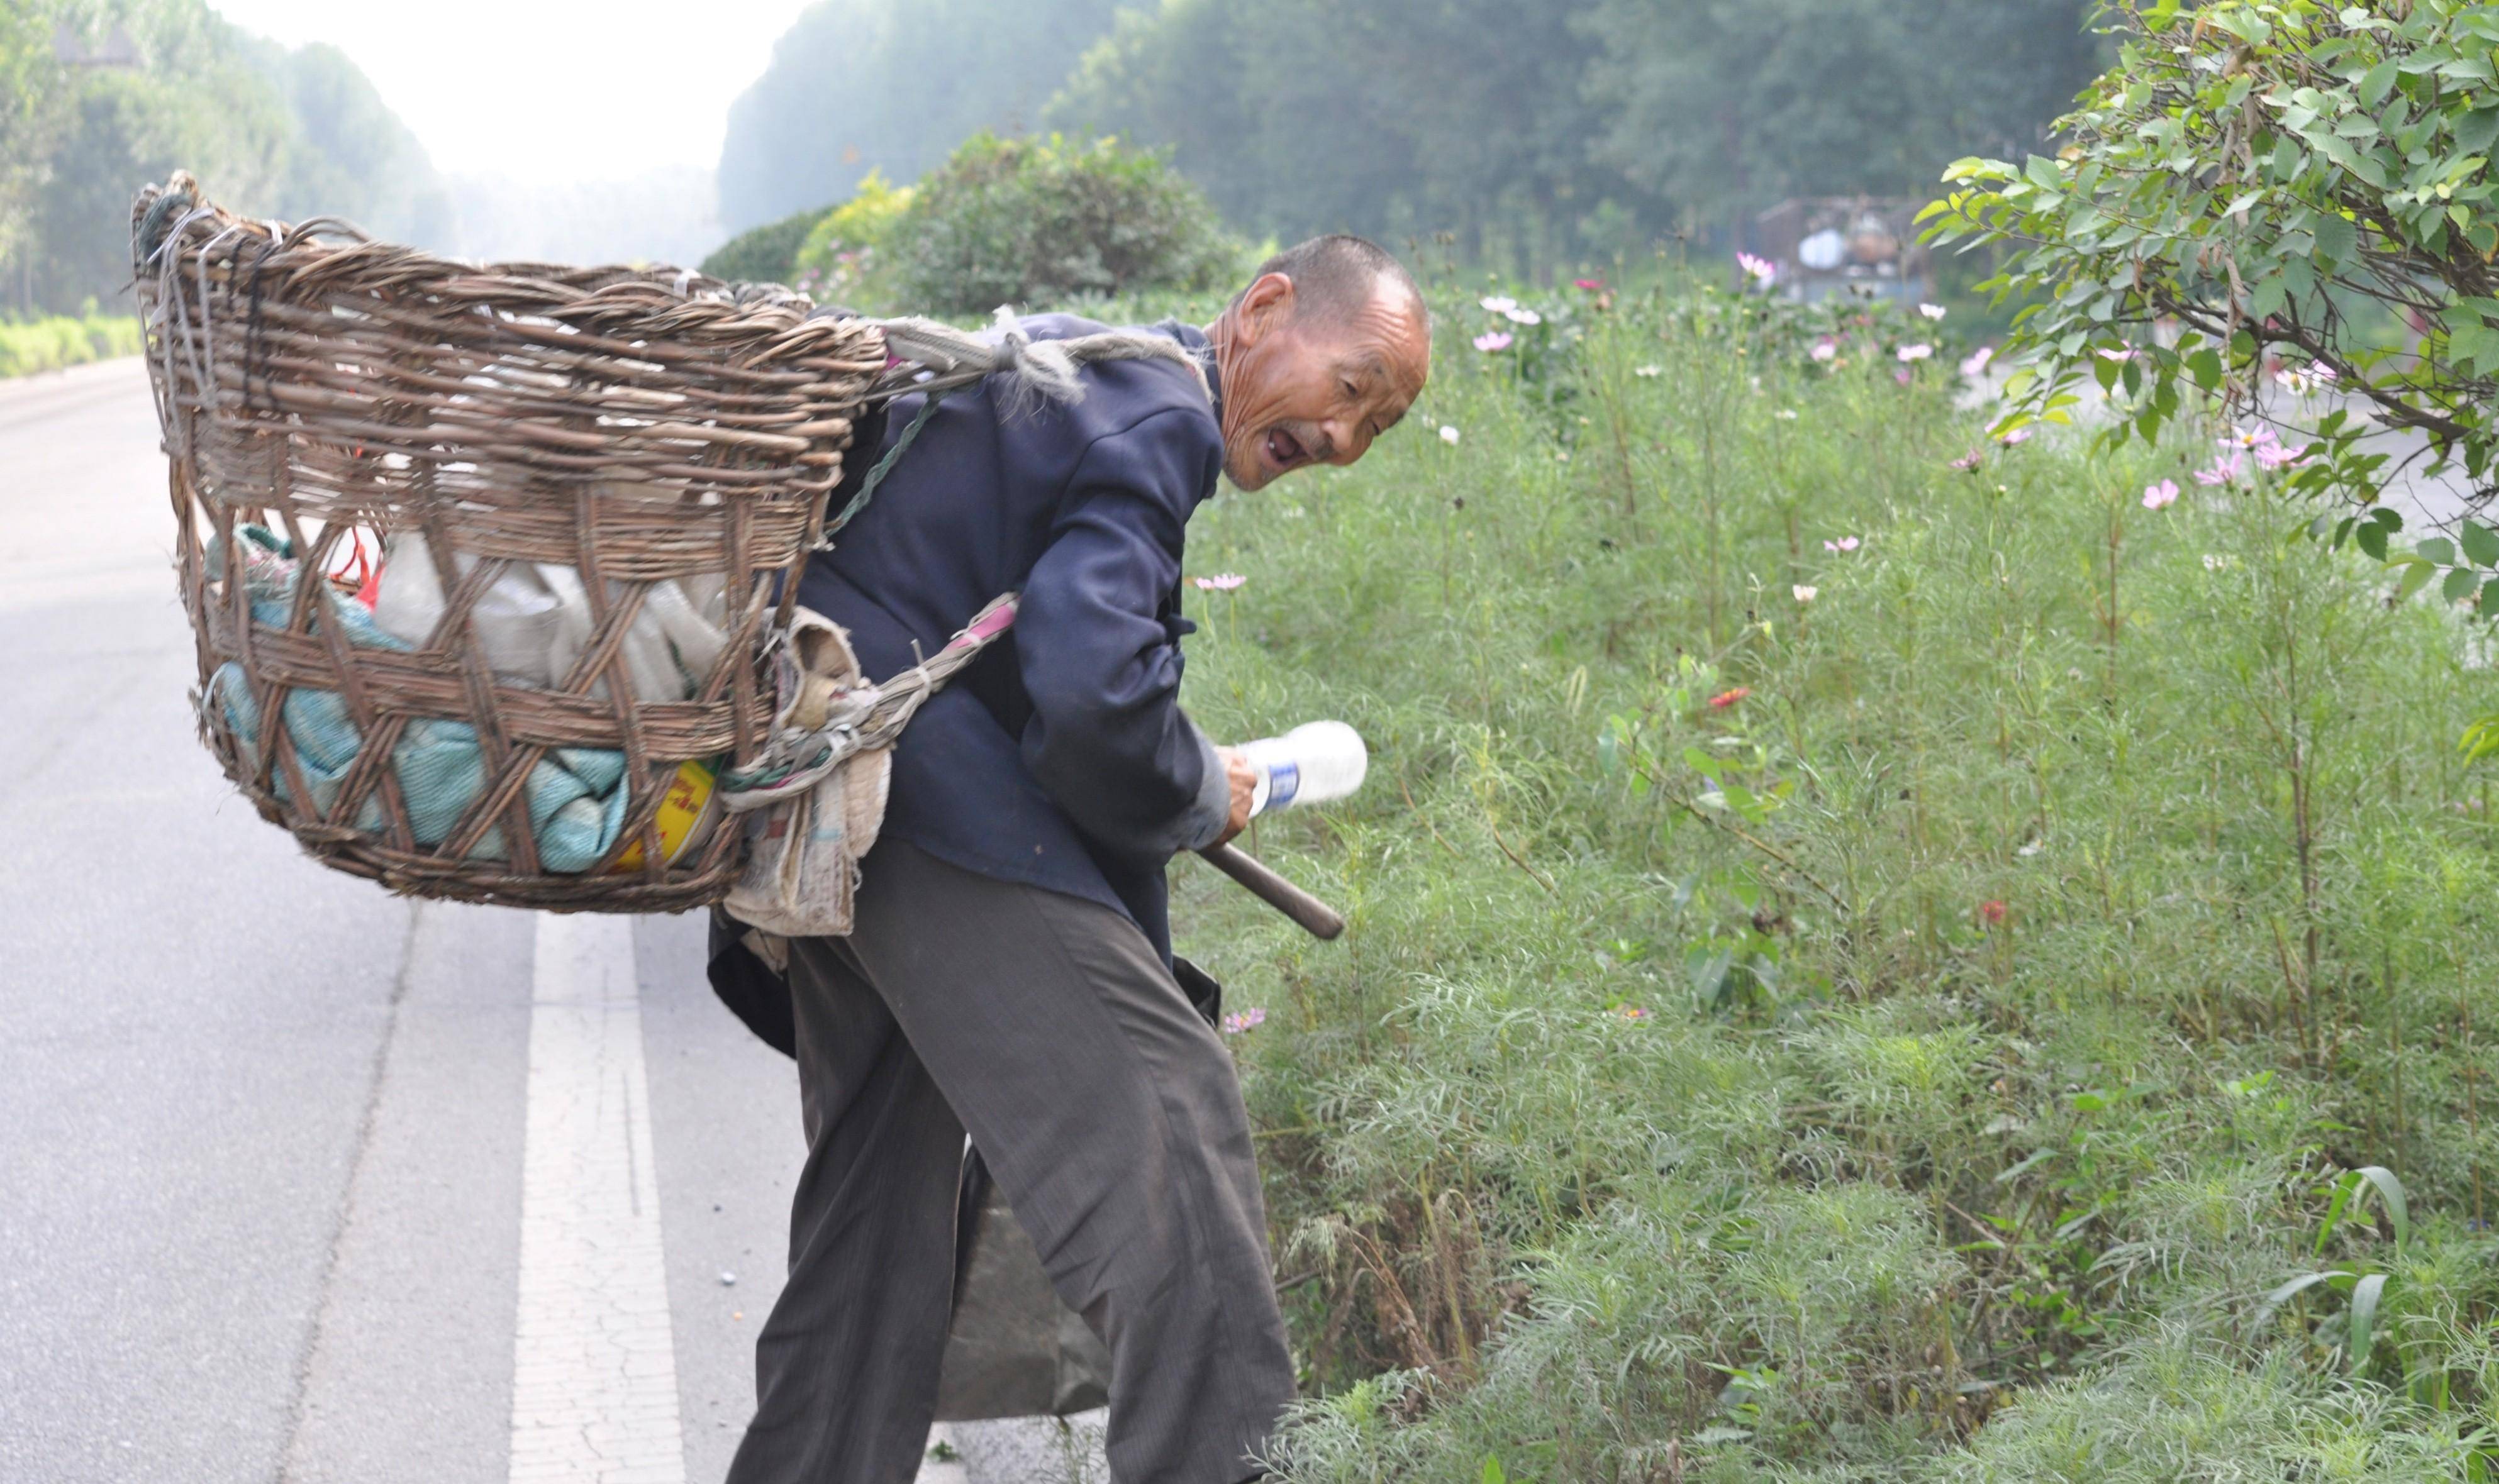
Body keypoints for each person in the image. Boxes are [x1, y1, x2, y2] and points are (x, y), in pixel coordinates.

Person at [717, 235, 1431, 1484]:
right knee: (1177, 1150)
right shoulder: (1154, 406)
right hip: (914, 800)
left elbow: (1030, 646)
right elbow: (1096, 693)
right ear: (1264, 310)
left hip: (824, 801)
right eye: (1355, 388)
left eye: (1384, 427)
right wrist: (1201, 785)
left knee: (874, 1234)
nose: (1350, 441)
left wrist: (1177, 774)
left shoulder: (1073, 372)